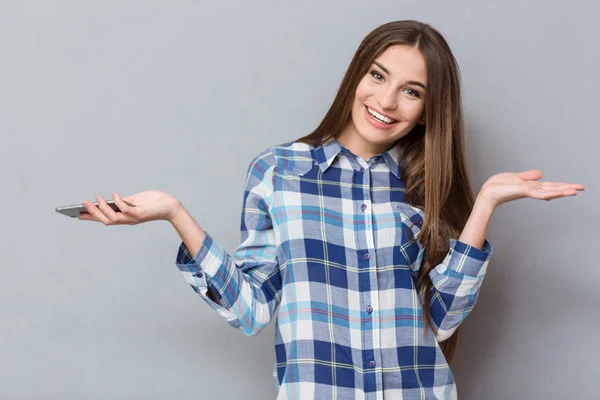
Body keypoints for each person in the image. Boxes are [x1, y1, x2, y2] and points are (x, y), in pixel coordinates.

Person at [78, 20, 584, 399]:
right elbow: (250, 310)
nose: (387, 100)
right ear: (356, 74)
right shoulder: (279, 172)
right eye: (378, 75)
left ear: (429, 109)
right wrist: (174, 213)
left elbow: (444, 319)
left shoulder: (421, 186)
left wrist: (486, 205)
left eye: (412, 92)